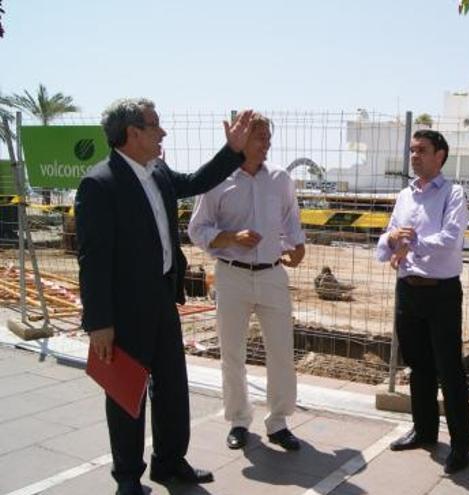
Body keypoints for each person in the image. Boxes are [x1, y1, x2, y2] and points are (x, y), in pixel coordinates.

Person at [76, 99, 254, 495]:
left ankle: (170, 463)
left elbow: (195, 181)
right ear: (133, 133)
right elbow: (93, 260)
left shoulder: (156, 172)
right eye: (155, 125)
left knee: (172, 387)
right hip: (123, 312)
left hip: (161, 299)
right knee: (127, 394)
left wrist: (233, 151)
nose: (163, 133)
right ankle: (127, 478)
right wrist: (99, 323)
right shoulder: (99, 183)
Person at [188, 113, 305, 452]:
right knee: (232, 353)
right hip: (232, 274)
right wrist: (229, 237)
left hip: (272, 275)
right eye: (259, 137)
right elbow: (198, 229)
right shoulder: (217, 181)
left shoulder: (281, 179)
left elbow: (291, 222)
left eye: (268, 137)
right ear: (240, 140)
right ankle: (239, 420)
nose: (266, 143)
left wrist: (297, 247)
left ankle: (279, 422)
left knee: (282, 351)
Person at [376, 129, 469, 474]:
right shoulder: (405, 196)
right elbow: (384, 243)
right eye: (412, 151)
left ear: (440, 155)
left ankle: (462, 445)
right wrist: (392, 239)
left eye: (422, 151)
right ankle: (424, 430)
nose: (414, 156)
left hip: (442, 292)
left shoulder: (453, 193)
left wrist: (412, 242)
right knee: (418, 366)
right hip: (408, 289)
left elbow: (450, 239)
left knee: (449, 369)